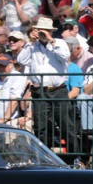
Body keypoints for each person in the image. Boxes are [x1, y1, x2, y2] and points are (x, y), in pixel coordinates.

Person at [16, 17, 78, 153]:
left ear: (50, 31)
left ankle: (77, 158)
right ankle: (43, 158)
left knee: (66, 125)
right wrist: (31, 42)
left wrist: (50, 40)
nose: (42, 34)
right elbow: (21, 60)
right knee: (40, 127)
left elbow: (65, 55)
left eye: (45, 31)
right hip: (40, 91)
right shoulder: (33, 47)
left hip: (58, 90)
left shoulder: (60, 43)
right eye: (39, 31)